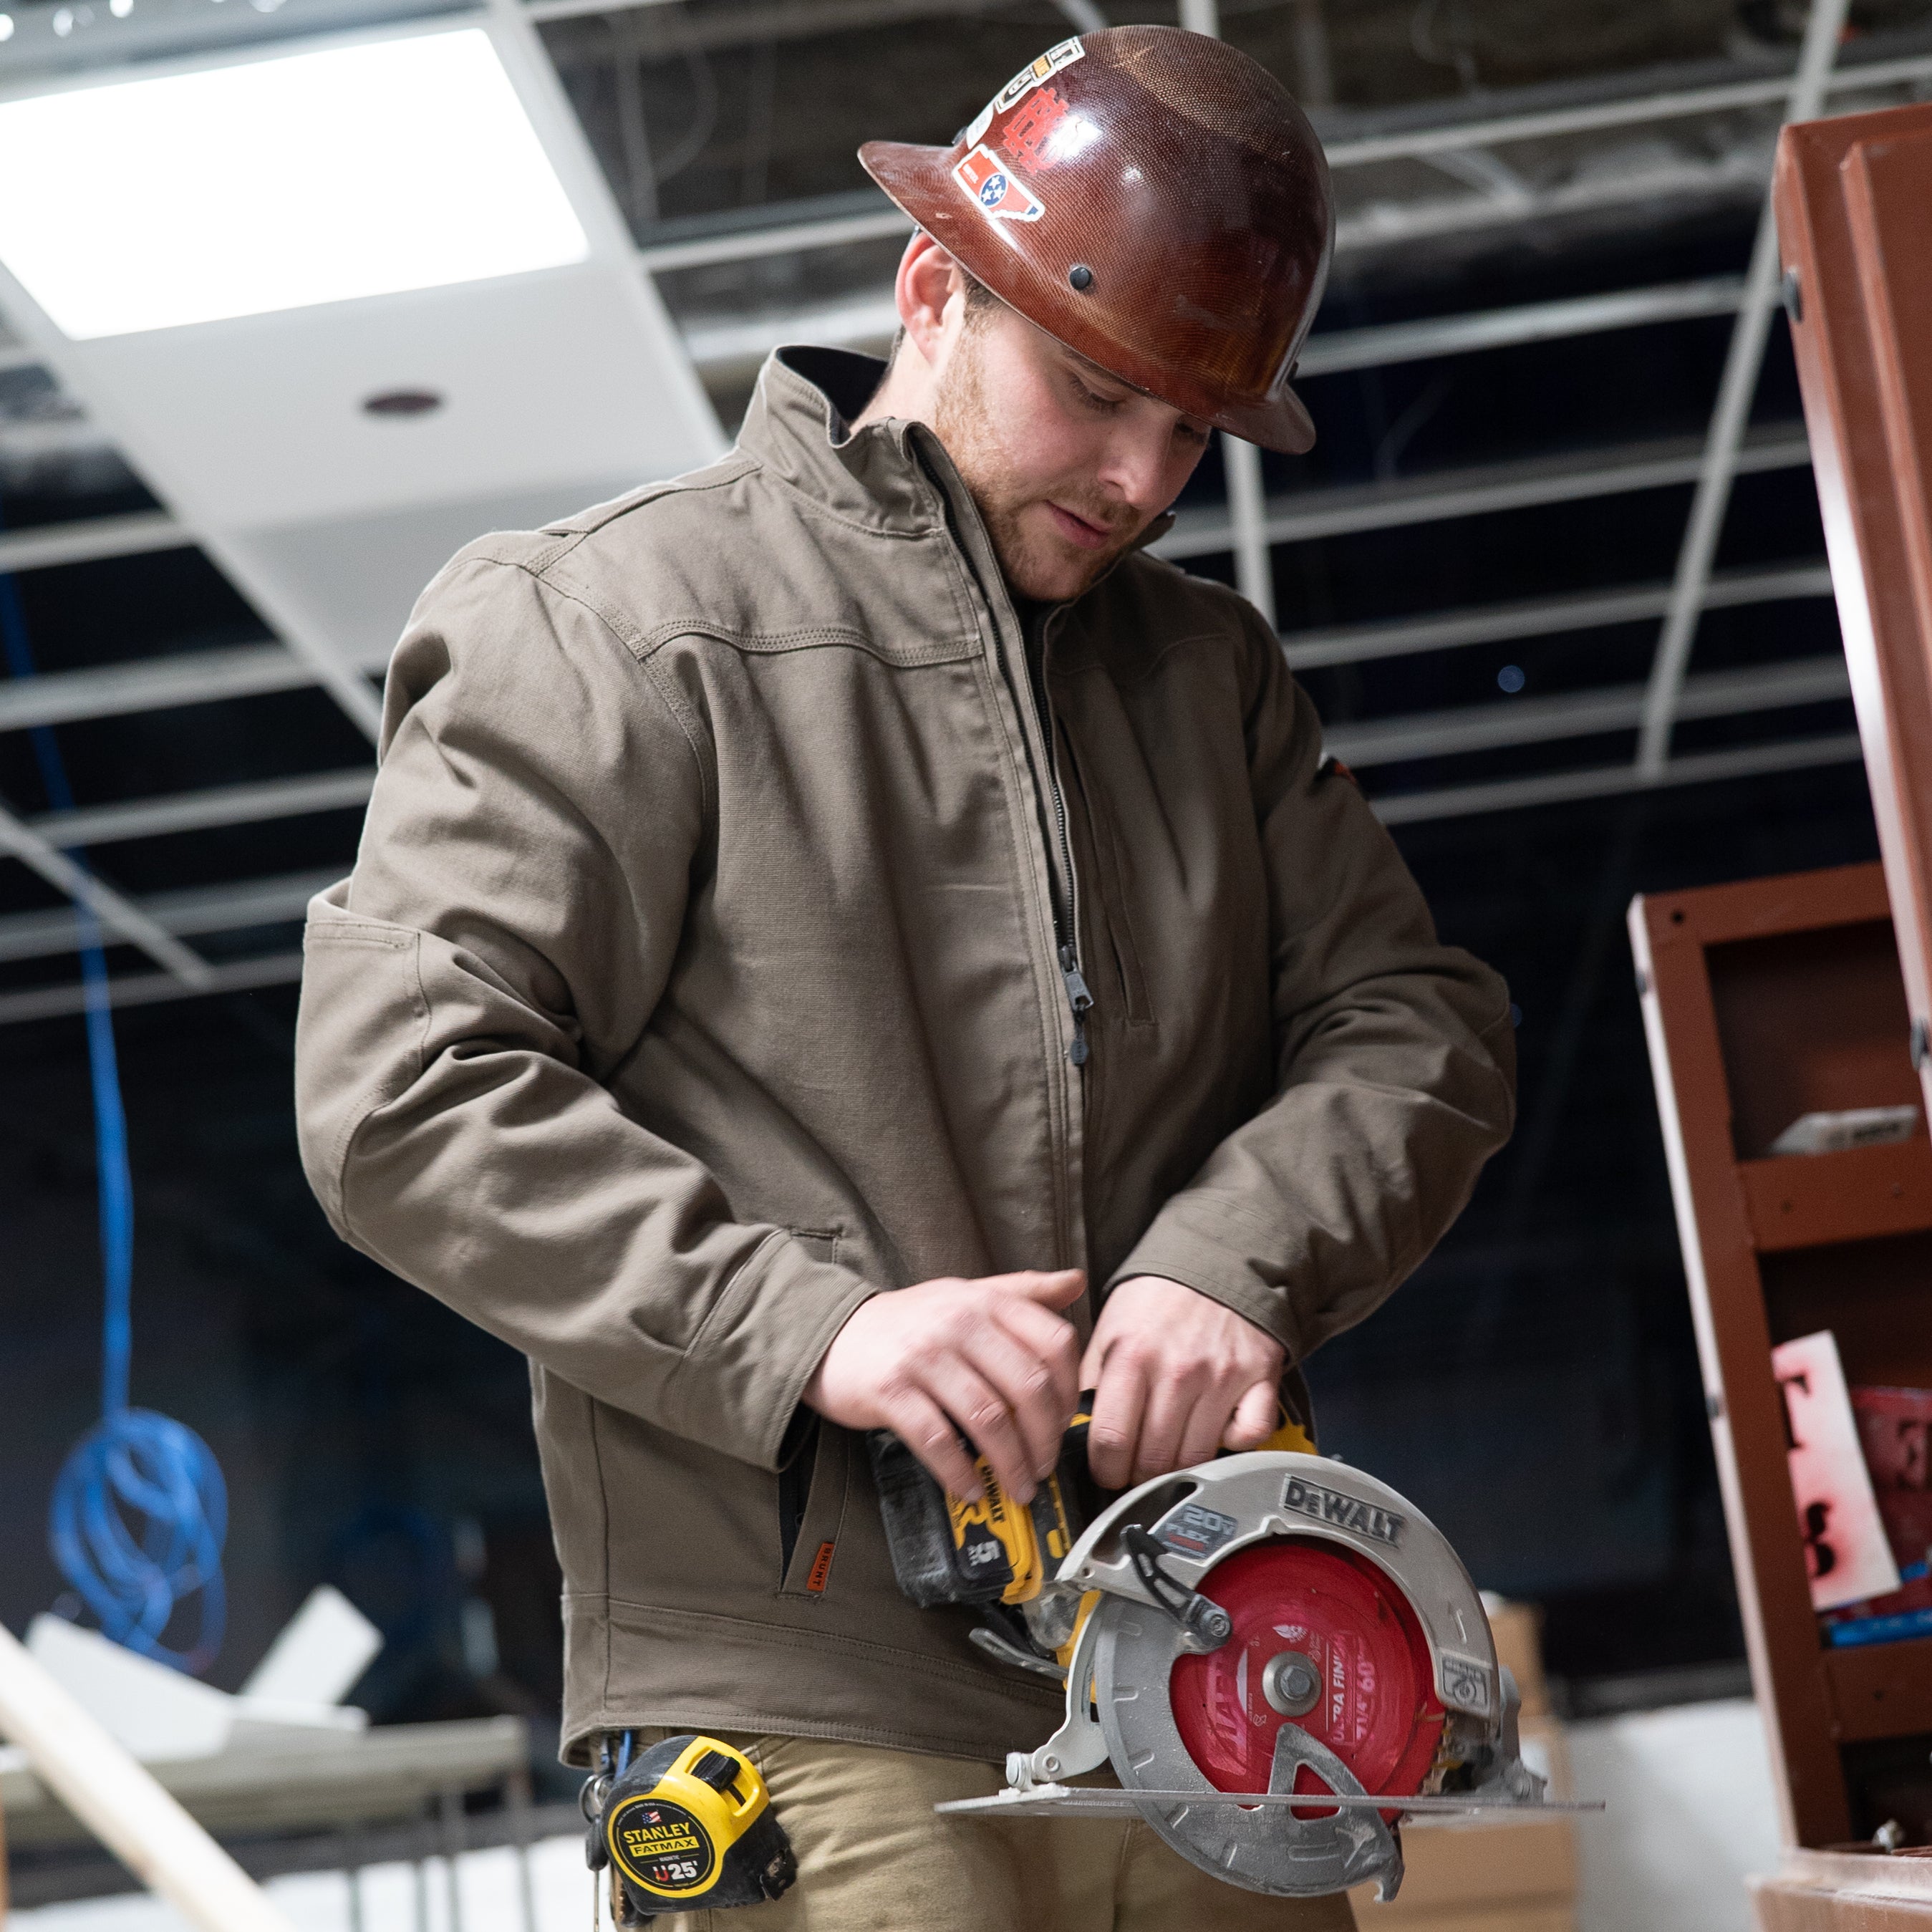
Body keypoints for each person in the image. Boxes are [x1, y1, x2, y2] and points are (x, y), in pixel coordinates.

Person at [294, 24, 1515, 1931]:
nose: (1142, 476)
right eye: (1096, 389)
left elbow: (1418, 1024)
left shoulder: (1208, 683)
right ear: (931, 288)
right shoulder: (612, 626)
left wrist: (1232, 1259)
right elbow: (401, 1084)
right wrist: (803, 1327)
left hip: (1198, 1675)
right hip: (805, 1706)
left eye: (1194, 429)